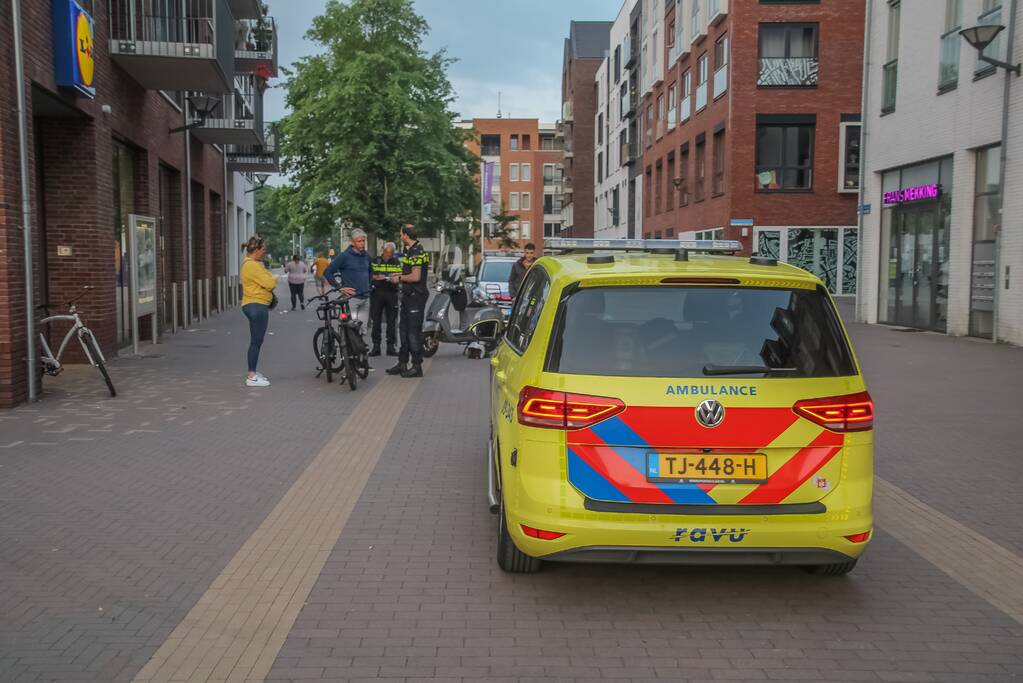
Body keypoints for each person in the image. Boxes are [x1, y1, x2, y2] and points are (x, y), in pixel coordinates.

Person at [386, 225, 430, 378]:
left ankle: (417, 366)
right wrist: (398, 274)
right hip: (407, 296)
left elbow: (416, 277)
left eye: (401, 235)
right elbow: (408, 272)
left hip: (415, 297)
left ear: (405, 235)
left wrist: (398, 278)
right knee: (403, 331)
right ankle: (402, 362)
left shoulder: (417, 252)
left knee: (413, 332)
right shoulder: (409, 251)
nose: (400, 237)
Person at [240, 236, 276, 387]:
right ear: (256, 250)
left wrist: (268, 277)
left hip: (254, 304)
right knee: (256, 341)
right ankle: (252, 376)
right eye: (263, 250)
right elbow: (270, 283)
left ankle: (253, 372)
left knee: (256, 340)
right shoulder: (252, 266)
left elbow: (267, 281)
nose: (265, 252)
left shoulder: (252, 264)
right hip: (256, 305)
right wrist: (270, 278)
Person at [323, 229, 372, 329]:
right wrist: (339, 287)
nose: (362, 243)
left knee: (362, 330)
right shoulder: (344, 256)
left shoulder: (367, 256)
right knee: (351, 330)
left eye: (363, 241)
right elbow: (327, 272)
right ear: (353, 242)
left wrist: (369, 285)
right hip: (352, 299)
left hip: (366, 299)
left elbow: (371, 272)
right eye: (359, 241)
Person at [369, 241, 401, 357]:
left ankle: (390, 346)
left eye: (391, 253)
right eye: (387, 252)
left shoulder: (396, 262)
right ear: (383, 251)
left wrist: (395, 277)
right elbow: (369, 275)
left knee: (391, 321)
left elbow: (400, 275)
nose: (388, 255)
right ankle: (376, 346)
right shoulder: (375, 261)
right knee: (376, 320)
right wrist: (376, 277)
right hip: (377, 292)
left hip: (392, 292)